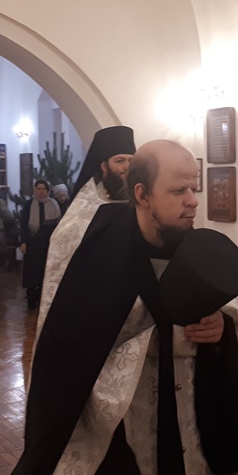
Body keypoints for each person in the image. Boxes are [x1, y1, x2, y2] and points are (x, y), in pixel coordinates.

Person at [7, 139, 238, 475]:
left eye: (194, 189)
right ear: (141, 194)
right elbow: (71, 376)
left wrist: (221, 333)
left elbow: (233, 337)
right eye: (178, 191)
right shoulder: (99, 260)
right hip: (126, 462)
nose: (192, 201)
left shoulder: (194, 252)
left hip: (197, 453)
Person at [37, 125, 135, 334]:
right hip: (94, 299)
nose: (127, 166)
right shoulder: (85, 208)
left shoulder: (142, 200)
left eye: (131, 160)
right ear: (104, 165)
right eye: (119, 160)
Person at [21, 178, 61, 310]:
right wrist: (23, 242)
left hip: (48, 243)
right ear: (35, 190)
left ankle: (43, 299)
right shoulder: (29, 204)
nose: (41, 191)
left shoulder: (54, 203)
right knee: (32, 271)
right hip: (33, 242)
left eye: (44, 188)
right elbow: (23, 224)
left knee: (46, 270)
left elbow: (59, 224)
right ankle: (31, 301)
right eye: (38, 189)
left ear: (48, 190)